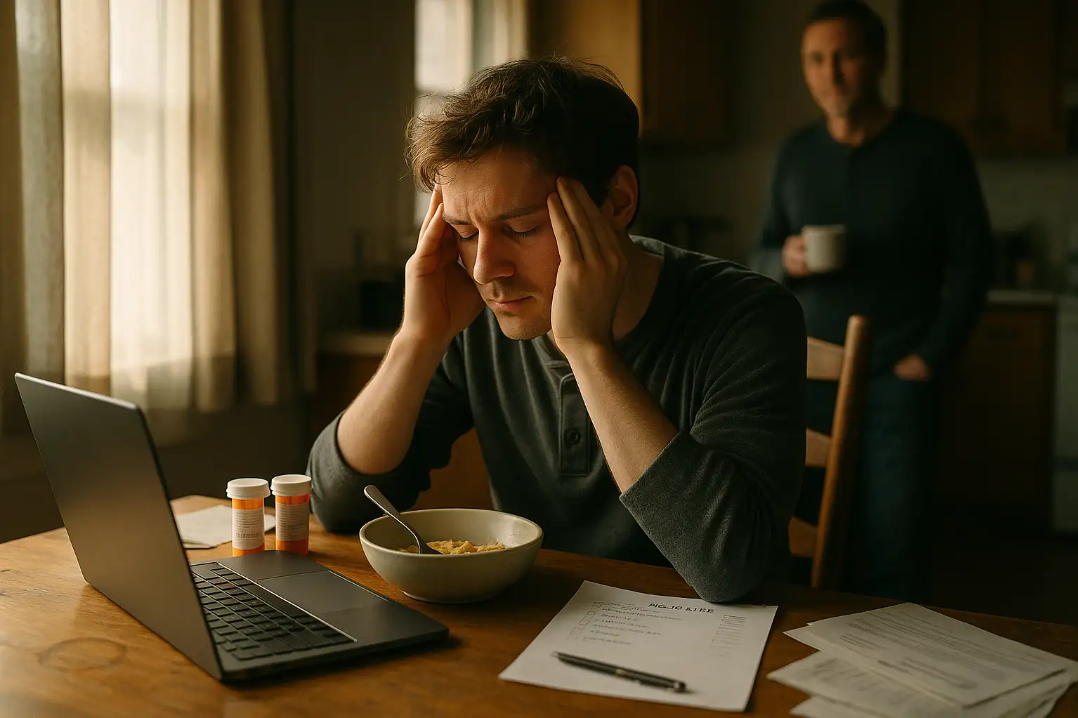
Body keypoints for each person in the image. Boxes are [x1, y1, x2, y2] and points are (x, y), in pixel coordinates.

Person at [308, 57, 807, 603]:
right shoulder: (479, 317)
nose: (483, 269)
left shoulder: (749, 316)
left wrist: (588, 350)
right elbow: (337, 504)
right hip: (531, 633)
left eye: (521, 228)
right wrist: (416, 341)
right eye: (464, 232)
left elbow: (730, 567)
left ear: (616, 202)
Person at [751, 0, 993, 601]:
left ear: (878, 59)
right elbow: (757, 255)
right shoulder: (795, 154)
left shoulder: (933, 148)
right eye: (815, 60)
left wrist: (930, 358)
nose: (830, 74)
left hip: (897, 378)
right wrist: (785, 259)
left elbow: (975, 263)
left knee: (894, 544)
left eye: (846, 56)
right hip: (807, 382)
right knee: (800, 543)